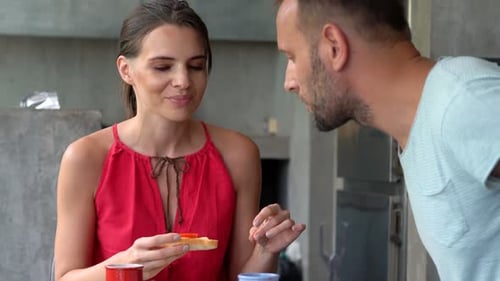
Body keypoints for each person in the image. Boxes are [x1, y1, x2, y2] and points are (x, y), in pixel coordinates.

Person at [53, 1, 306, 281]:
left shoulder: (239, 154)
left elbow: (241, 277)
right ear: (126, 70)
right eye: (163, 67)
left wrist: (265, 251)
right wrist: (125, 264)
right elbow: (64, 277)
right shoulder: (85, 157)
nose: (183, 80)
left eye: (196, 66)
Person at [274, 0, 500, 280]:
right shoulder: (425, 123)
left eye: (292, 57)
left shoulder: (462, 103)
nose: (289, 82)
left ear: (334, 46)